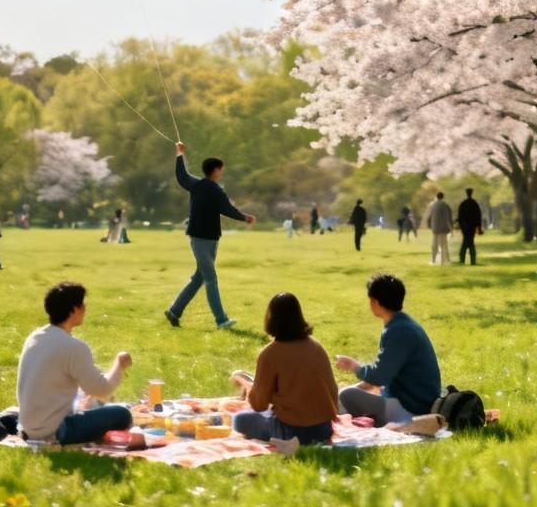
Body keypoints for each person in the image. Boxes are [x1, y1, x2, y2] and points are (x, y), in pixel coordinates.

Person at [15, 282, 133, 444]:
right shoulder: (74, 347)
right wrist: (119, 364)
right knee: (122, 414)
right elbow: (103, 390)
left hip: (27, 426)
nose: (85, 308)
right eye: (82, 304)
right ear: (74, 309)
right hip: (56, 430)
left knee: (91, 402)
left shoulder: (34, 337)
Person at [164, 141, 255, 330]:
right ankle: (221, 320)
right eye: (221, 170)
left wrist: (179, 154)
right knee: (211, 279)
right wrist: (245, 218)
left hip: (204, 239)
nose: (221, 173)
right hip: (203, 241)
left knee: (199, 278)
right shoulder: (216, 190)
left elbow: (181, 176)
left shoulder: (197, 185)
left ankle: (174, 311)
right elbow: (227, 209)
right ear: (215, 170)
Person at [231, 293, 340, 445]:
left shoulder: (270, 354)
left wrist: (246, 385)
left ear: (271, 319)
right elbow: (332, 391)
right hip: (324, 429)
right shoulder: (316, 347)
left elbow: (259, 405)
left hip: (291, 432)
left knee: (239, 420)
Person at [336, 274, 442, 426]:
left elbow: (380, 377)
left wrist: (355, 366)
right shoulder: (403, 324)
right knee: (345, 393)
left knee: (346, 395)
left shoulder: (399, 330)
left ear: (375, 302)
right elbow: (382, 377)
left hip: (412, 409)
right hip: (415, 401)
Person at [425, 190, 453, 265]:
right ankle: (444, 261)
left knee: (435, 244)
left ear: (436, 197)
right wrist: (451, 227)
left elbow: (429, 216)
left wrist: (429, 225)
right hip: (444, 228)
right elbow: (449, 217)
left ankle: (433, 260)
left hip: (435, 228)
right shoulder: (446, 205)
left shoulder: (432, 205)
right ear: (443, 197)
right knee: (444, 244)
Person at [456, 188, 483, 265]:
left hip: (464, 226)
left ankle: (462, 259)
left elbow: (460, 216)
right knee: (470, 242)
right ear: (471, 193)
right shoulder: (474, 203)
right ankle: (472, 260)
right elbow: (478, 216)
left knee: (466, 241)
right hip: (472, 226)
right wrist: (479, 228)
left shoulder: (463, 203)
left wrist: (461, 225)